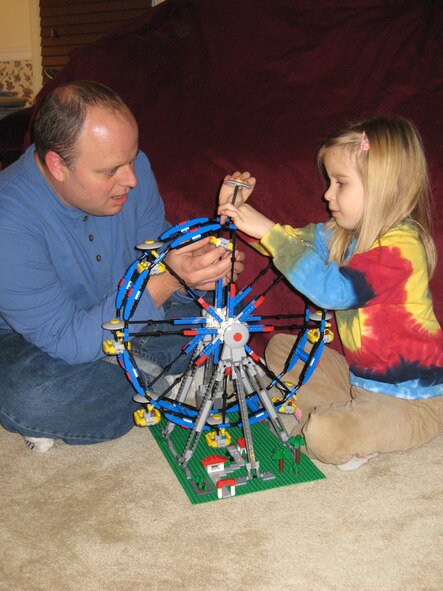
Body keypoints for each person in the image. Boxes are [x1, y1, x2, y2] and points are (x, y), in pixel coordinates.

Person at [0, 80, 244, 453]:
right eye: (111, 170)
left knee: (225, 313)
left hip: (124, 305)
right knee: (33, 398)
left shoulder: (133, 170)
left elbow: (152, 253)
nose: (131, 178)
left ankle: (146, 380)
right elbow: (68, 339)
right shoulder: (8, 219)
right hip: (37, 338)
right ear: (57, 166)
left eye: (132, 158)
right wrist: (166, 282)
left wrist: (200, 270)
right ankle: (173, 381)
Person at [218, 116, 443, 471]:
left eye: (340, 183)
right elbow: (289, 243)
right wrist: (239, 214)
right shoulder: (342, 233)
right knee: (281, 348)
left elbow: (332, 291)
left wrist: (271, 233)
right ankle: (342, 416)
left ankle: (334, 426)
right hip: (360, 383)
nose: (327, 194)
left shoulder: (401, 249)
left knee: (323, 436)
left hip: (415, 402)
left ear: (384, 186)